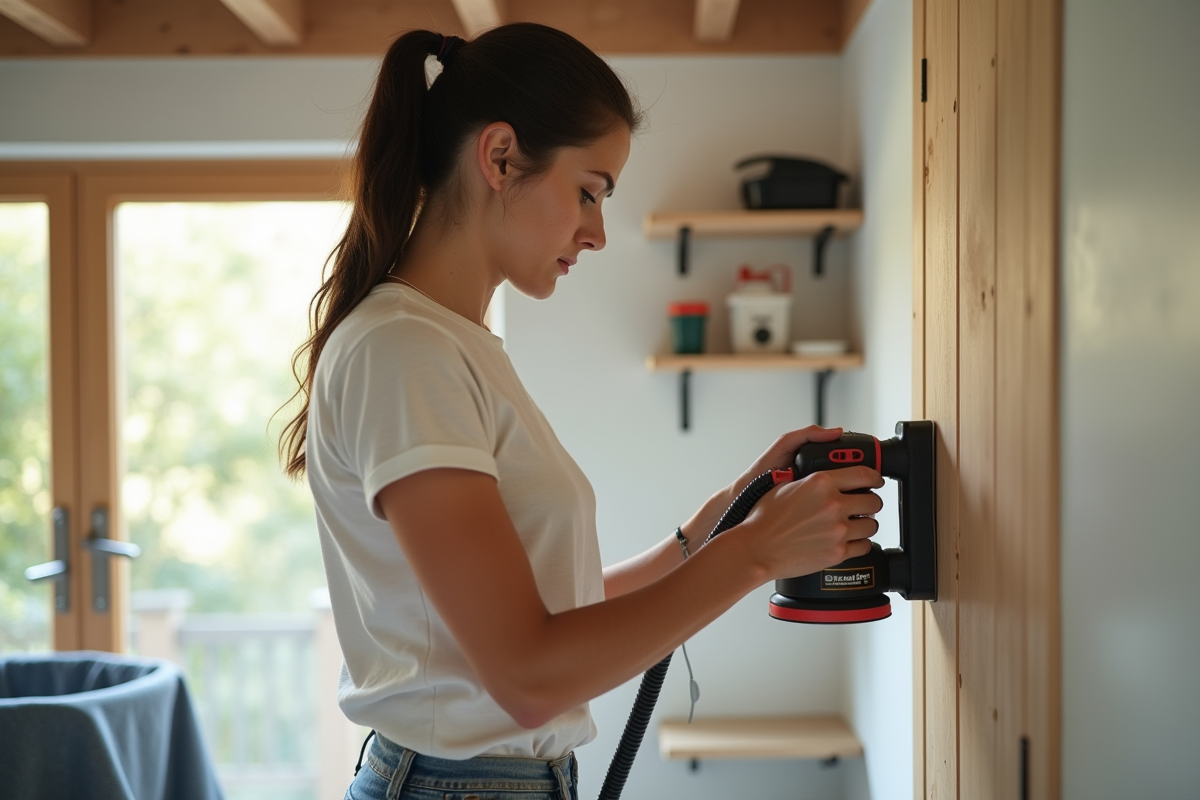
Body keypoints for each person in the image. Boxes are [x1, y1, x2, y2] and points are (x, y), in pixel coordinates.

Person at [279, 23, 883, 800]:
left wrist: (728, 515)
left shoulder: (451, 347)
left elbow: (554, 610)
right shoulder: (403, 352)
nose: (596, 232)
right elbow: (529, 674)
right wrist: (756, 555)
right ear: (500, 157)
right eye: (588, 192)